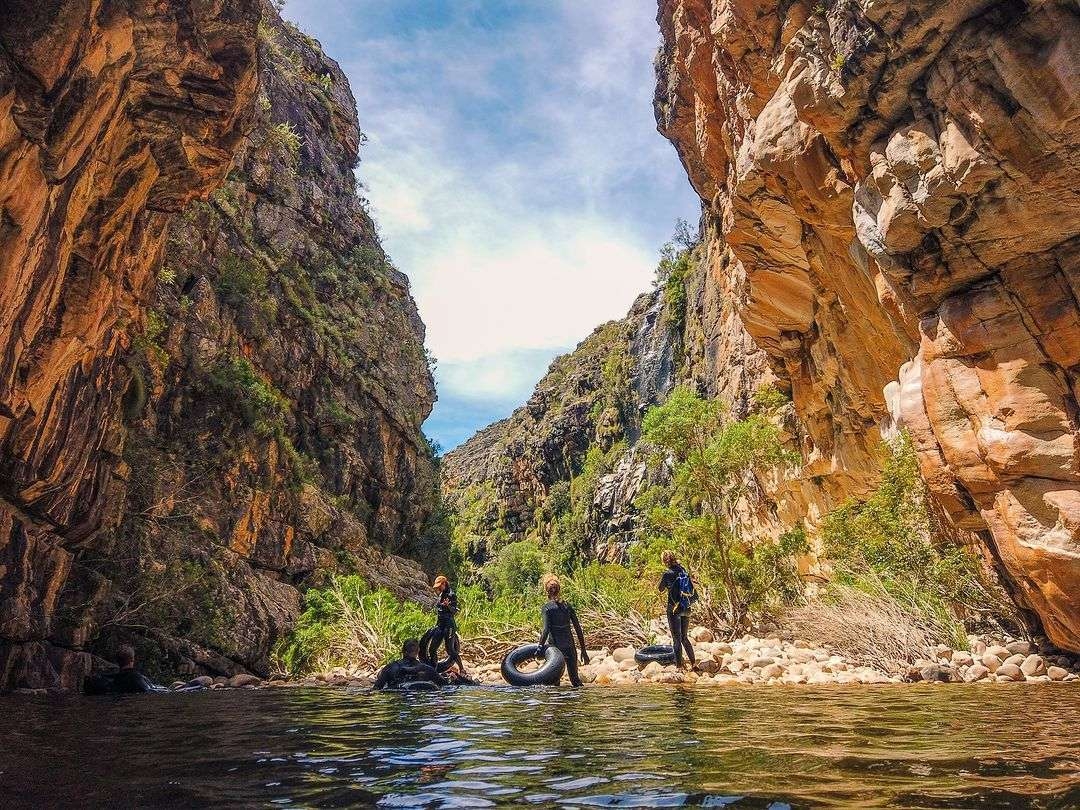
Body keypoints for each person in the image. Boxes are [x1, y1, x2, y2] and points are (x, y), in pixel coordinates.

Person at [537, 574, 589, 687]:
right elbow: (578, 629)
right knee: (575, 681)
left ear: (546, 590)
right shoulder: (567, 606)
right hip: (570, 647)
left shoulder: (547, 608)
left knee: (555, 682)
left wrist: (540, 647)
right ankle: (579, 703)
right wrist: (584, 651)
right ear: (559, 589)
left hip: (556, 649)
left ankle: (559, 704)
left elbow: (545, 630)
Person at [658, 550, 696, 669]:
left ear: (664, 561)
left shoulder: (667, 573)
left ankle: (679, 667)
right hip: (686, 606)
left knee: (676, 639)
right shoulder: (683, 570)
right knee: (684, 637)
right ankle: (694, 664)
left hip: (674, 608)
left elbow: (660, 588)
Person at [83, 645, 165, 694]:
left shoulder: (109, 678)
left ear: (117, 661)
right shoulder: (136, 677)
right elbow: (150, 690)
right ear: (132, 660)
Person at [427, 574, 466, 675]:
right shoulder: (441, 595)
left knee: (450, 650)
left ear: (444, 584)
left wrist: (448, 606)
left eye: (439, 586)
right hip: (440, 624)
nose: (438, 589)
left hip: (449, 625)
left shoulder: (451, 595)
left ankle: (462, 669)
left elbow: (454, 611)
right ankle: (434, 669)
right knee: (432, 649)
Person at [374, 639, 441, 689]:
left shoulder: (390, 667)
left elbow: (377, 688)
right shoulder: (426, 669)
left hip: (397, 696)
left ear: (402, 651)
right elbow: (445, 685)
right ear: (418, 650)